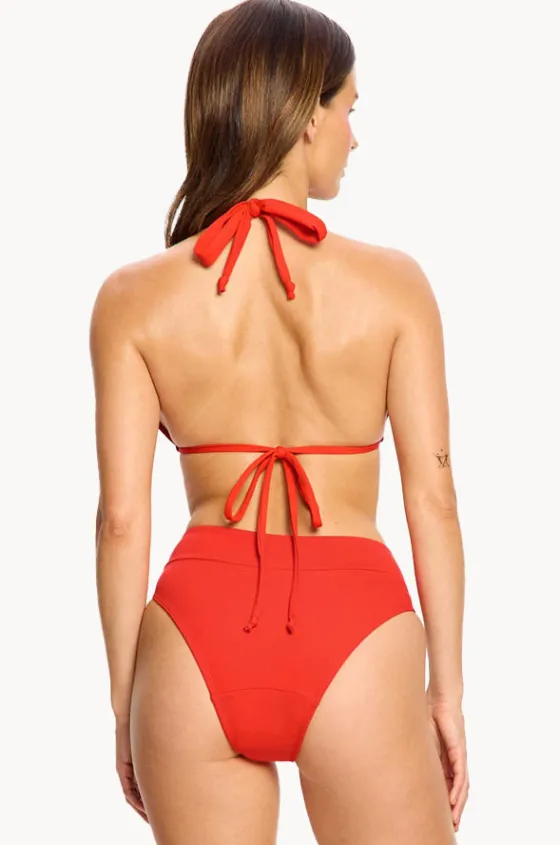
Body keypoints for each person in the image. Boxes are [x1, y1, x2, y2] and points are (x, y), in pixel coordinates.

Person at [90, 0, 468, 842]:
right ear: (306, 116)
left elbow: (120, 521)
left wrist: (126, 703)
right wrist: (446, 689)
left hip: (194, 640)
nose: (354, 138)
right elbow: (434, 501)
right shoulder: (395, 286)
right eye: (349, 108)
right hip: (355, 632)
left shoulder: (131, 298)